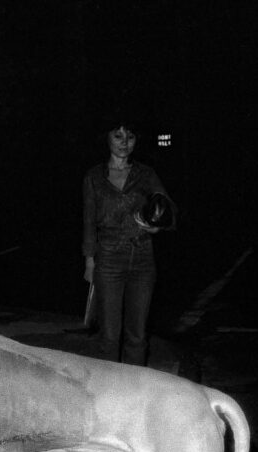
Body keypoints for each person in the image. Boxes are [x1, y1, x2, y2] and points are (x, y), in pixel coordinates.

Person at [82, 120, 176, 365]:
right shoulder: (93, 177)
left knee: (137, 335)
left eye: (130, 137)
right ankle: (110, 394)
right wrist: (89, 262)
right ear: (107, 138)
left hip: (143, 257)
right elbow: (89, 222)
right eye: (118, 136)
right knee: (110, 335)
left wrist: (158, 223)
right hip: (109, 259)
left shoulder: (146, 174)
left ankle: (134, 394)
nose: (124, 143)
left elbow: (170, 210)